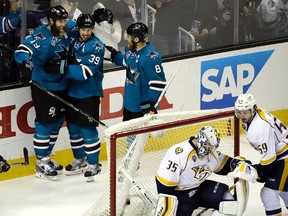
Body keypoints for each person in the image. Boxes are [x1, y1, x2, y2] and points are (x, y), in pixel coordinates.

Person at [14, 5, 71, 181]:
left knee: (57, 122)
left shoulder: (67, 29)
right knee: (45, 123)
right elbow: (22, 50)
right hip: (44, 86)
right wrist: (25, 64)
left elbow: (82, 24)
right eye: (60, 21)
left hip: (62, 85)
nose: (63, 24)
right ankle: (41, 161)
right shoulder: (40, 36)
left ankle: (47, 156)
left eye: (64, 20)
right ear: (51, 21)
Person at [154, 126, 258, 216]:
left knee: (229, 203)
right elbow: (165, 187)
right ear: (201, 139)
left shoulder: (211, 153)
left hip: (199, 189)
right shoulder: (179, 153)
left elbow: (225, 164)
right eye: (208, 145)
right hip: (180, 196)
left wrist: (241, 164)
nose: (209, 149)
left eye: (212, 146)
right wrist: (168, 207)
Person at [62, 13, 105, 181]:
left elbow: (85, 72)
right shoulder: (73, 34)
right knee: (73, 128)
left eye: (89, 29)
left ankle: (94, 163)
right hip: (71, 91)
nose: (86, 32)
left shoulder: (97, 46)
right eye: (83, 29)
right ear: (78, 28)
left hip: (89, 92)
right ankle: (80, 158)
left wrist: (60, 68)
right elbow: (66, 22)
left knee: (88, 129)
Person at [234, 93, 288, 215]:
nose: (242, 115)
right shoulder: (254, 115)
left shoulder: (259, 127)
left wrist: (258, 172)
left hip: (285, 157)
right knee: (284, 189)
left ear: (253, 109)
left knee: (268, 193)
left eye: (245, 112)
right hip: (281, 153)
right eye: (239, 112)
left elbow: (269, 162)